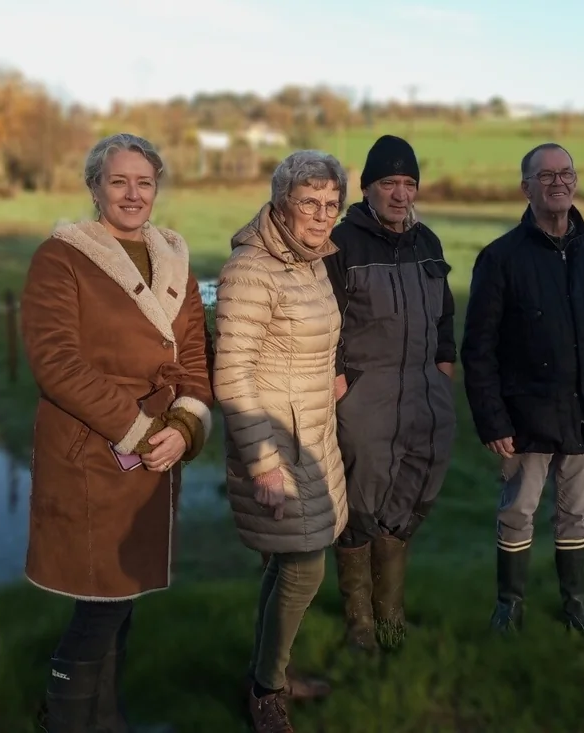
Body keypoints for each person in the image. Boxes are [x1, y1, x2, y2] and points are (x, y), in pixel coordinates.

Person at [19, 133, 214, 732]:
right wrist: (136, 428)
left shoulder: (174, 258)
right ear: (94, 187)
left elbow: (194, 359)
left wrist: (185, 425)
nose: (133, 194)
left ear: (157, 188)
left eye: (144, 182)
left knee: (120, 598)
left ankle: (106, 719)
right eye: (119, 181)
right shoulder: (62, 257)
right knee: (99, 603)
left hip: (156, 451)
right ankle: (63, 717)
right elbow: (56, 362)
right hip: (93, 448)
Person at [460, 142, 584, 636]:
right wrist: (492, 419)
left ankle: (575, 606)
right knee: (518, 512)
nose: (558, 182)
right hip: (524, 418)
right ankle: (508, 605)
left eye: (566, 174)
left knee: (576, 513)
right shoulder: (500, 258)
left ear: (575, 181)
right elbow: (478, 348)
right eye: (546, 175)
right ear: (526, 187)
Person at [213, 150, 349, 733]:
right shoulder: (252, 269)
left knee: (289, 564)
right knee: (304, 568)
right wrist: (263, 465)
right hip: (276, 447)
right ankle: (267, 690)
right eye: (309, 203)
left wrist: (327, 373)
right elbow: (233, 374)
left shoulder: (311, 261)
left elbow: (296, 344)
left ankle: (270, 669)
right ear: (281, 202)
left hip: (312, 435)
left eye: (331, 204)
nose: (321, 216)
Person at [323, 134, 458, 653]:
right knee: (361, 503)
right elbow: (324, 318)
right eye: (389, 183)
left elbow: (444, 311)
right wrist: (338, 378)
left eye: (409, 183)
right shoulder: (342, 244)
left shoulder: (429, 242)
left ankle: (391, 618)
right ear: (367, 188)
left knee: (413, 495)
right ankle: (360, 623)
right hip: (365, 393)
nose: (401, 194)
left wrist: (444, 364)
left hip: (425, 392)